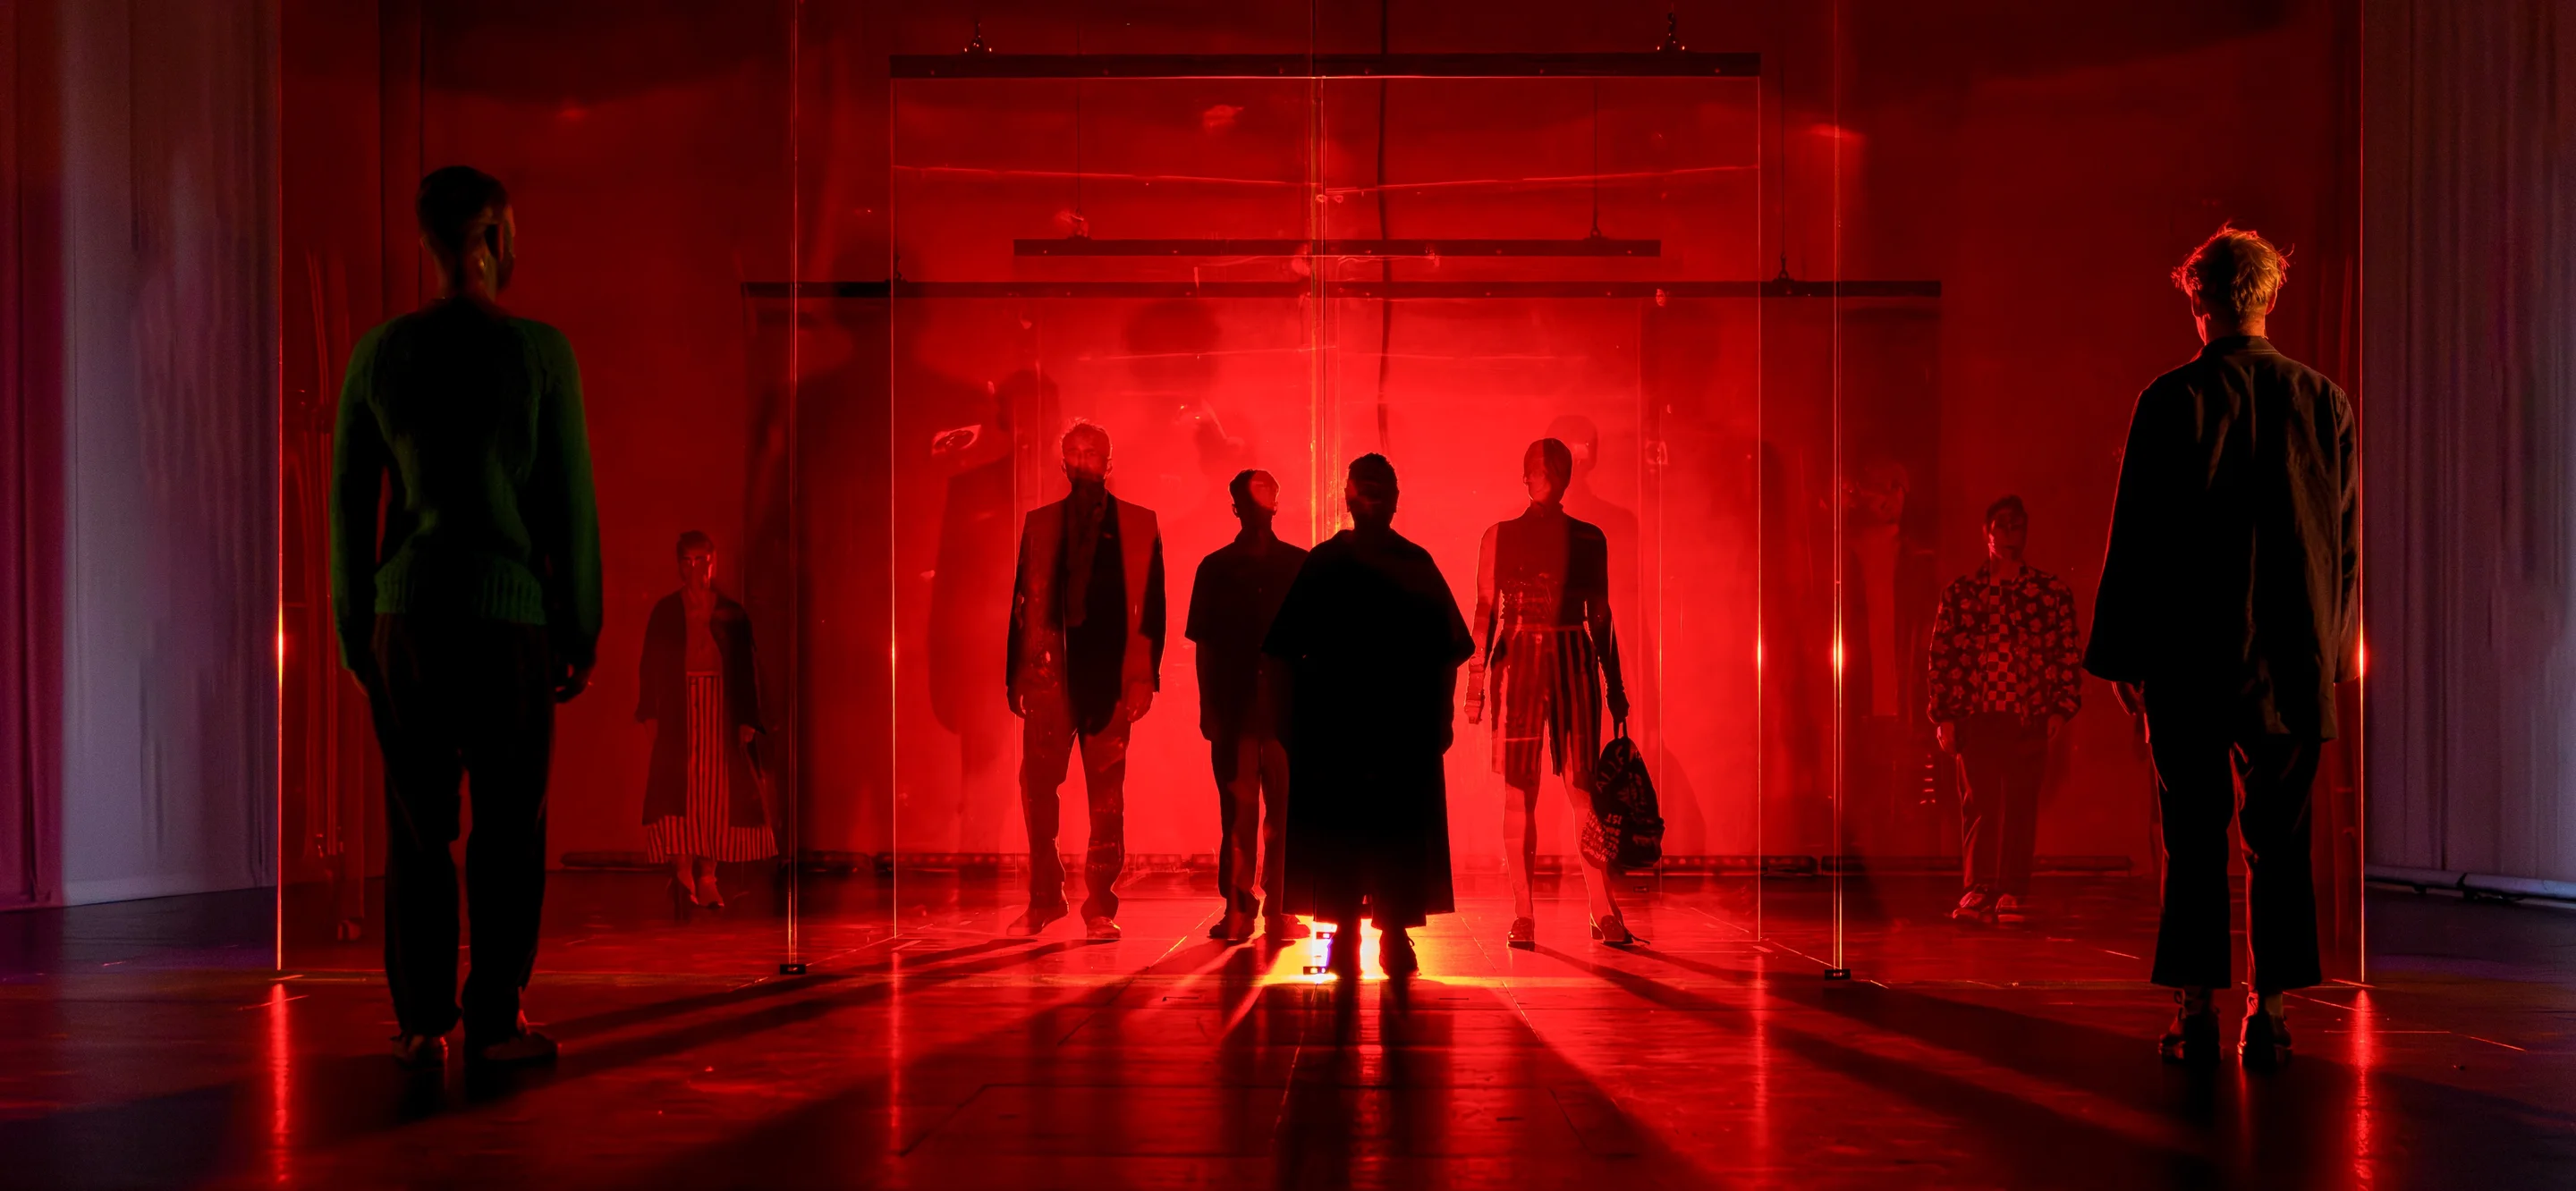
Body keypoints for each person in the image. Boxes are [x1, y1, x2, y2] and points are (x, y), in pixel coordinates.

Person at [332, 166, 598, 1070]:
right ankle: (494, 1018)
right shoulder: (540, 353)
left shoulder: (379, 354)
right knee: (510, 826)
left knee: (418, 830)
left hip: (406, 620)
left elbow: (348, 509)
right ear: (497, 237)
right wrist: (579, 625)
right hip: (508, 623)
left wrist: (355, 630)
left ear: (427, 241)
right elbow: (569, 503)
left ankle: (421, 1024)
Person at [2086, 225, 2359, 1069]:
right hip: (2292, 658)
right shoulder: (2325, 401)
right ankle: (2268, 1012)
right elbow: (2344, 548)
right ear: (2269, 296)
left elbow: (2136, 537)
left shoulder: (2170, 400)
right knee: (2280, 841)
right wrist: (2332, 655)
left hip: (2190, 656)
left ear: (2199, 300)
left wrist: (2124, 656)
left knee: (2192, 837)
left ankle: (2195, 1009)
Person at [1263, 454, 1475, 978]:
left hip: (1353, 724)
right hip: (1377, 723)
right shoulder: (1403, 562)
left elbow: (1283, 650)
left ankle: (1366, 933)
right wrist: (1440, 715)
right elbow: (1446, 650)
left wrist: (1287, 722)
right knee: (1385, 827)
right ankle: (1384, 933)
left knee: (1352, 827)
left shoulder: (1334, 561)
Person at [1467, 438, 1638, 948]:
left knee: (1582, 790)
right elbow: (1484, 608)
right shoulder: (1500, 536)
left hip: (1571, 663)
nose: (1541, 477)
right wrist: (1475, 683)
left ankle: (1600, 906)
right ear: (1524, 475)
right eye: (1536, 469)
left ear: (1564, 476)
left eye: (1551, 469)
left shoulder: (1588, 538)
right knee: (1519, 793)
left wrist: (1614, 684)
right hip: (1518, 664)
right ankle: (1524, 911)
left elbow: (1601, 615)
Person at [1004, 423, 1165, 940]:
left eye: (1091, 452)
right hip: (1049, 678)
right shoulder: (1041, 523)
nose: (1081, 460)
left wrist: (1143, 677)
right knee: (1037, 789)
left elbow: (1152, 608)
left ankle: (1098, 905)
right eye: (1073, 452)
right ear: (1062, 462)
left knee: (1106, 797)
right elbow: (1022, 603)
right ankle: (1045, 897)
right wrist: (1016, 674)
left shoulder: (1138, 523)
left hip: (1108, 681)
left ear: (1108, 462)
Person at [1927, 495, 2082, 926]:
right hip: (1977, 712)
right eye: (2003, 526)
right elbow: (1942, 655)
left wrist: (2060, 707)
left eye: (2018, 526)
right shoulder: (1961, 594)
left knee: (2020, 802)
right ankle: (1978, 887)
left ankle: (2012, 887)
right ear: (1987, 532)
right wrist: (1945, 715)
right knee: (1979, 802)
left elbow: (2066, 651)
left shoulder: (2049, 594)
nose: (2011, 535)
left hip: (2027, 712)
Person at [1185, 469, 1310, 944]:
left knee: (1264, 814)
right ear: (1238, 506)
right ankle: (1261, 909)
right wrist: (1208, 706)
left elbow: (1206, 645)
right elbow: (1205, 645)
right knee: (1251, 814)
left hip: (1266, 710)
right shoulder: (1231, 567)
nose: (1259, 505)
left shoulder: (1224, 567)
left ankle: (1256, 910)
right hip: (1249, 710)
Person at [637, 531, 775, 916]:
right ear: (679, 565)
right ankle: (682, 870)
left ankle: (709, 875)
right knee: (678, 788)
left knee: (717, 792)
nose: (695, 568)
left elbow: (746, 668)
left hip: (720, 706)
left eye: (702, 560)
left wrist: (747, 718)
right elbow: (650, 665)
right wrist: (649, 712)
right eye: (688, 560)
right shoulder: (666, 611)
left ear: (714, 563)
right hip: (679, 708)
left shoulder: (732, 614)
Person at [1843, 460, 1943, 854]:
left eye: (1896, 488)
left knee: (1904, 800)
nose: (1889, 497)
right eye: (1881, 486)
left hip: (1905, 699)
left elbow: (1930, 632)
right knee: (1861, 796)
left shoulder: (1918, 561)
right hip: (1855, 700)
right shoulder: (1841, 557)